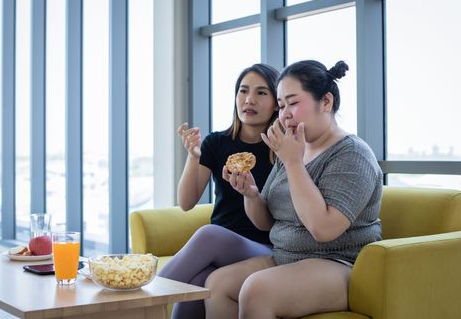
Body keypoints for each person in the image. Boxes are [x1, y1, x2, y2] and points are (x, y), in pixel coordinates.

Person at [204, 60, 383, 319]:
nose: (284, 113)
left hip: (339, 264)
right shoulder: (294, 149)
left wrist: (293, 162)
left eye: (293, 103)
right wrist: (251, 194)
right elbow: (265, 223)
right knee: (217, 284)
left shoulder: (352, 154)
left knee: (257, 290)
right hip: (286, 256)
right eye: (281, 106)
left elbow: (323, 228)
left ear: (326, 102)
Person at [158, 63, 280, 319]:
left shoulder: (282, 150)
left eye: (261, 93)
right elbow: (186, 202)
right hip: (219, 252)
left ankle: (140, 298)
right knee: (196, 286)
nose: (249, 99)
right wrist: (194, 157)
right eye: (243, 91)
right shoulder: (216, 143)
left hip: (264, 249)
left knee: (210, 234)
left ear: (276, 103)